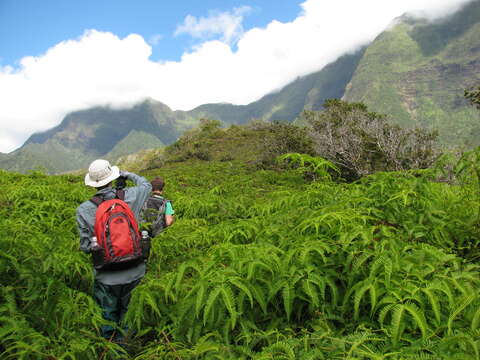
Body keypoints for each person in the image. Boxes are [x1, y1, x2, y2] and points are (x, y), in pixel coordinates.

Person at [76, 159, 152, 342]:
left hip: (106, 276)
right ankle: (126, 347)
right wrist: (127, 175)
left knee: (107, 319)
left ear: (92, 183)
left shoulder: (84, 210)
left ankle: (109, 349)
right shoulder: (131, 196)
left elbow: (86, 247)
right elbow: (147, 185)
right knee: (129, 317)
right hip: (135, 270)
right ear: (113, 177)